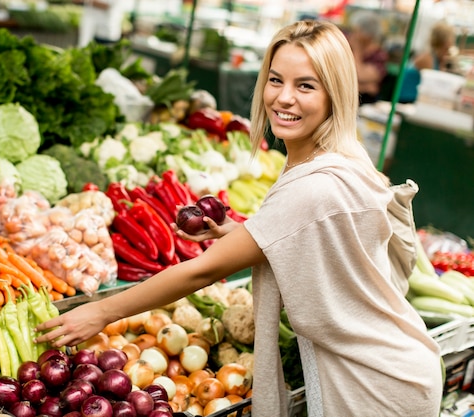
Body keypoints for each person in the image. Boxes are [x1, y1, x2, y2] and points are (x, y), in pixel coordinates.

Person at [35, 19, 442, 416]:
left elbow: (201, 272)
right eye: (276, 79)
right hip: (391, 361)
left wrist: (102, 311)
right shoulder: (341, 158)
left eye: (306, 86)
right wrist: (246, 231)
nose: (284, 98)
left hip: (376, 382)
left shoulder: (312, 183)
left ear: (334, 95)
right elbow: (325, 240)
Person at [399, 21, 457, 103]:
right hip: (407, 98)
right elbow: (435, 86)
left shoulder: (435, 58)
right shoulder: (427, 59)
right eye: (447, 48)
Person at [347, 10, 389, 105]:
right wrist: (365, 86)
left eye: (357, 31)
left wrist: (357, 50)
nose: (353, 35)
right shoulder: (346, 48)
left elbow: (359, 75)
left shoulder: (379, 56)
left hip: (365, 103)